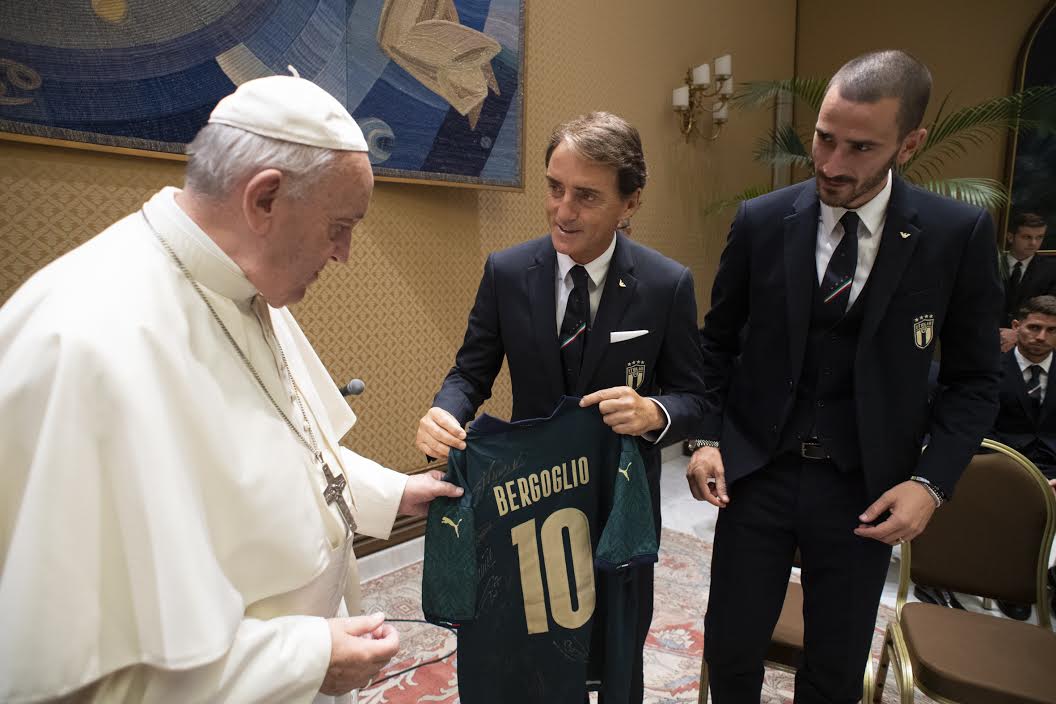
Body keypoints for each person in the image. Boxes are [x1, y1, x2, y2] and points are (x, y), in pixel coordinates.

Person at [0, 73, 462, 703]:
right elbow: (78, 677)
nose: (344, 253)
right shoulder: (82, 344)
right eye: (339, 226)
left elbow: (286, 445)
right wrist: (304, 660)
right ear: (264, 199)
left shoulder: (238, 282)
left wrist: (395, 492)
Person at [687, 50, 1002, 703]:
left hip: (865, 491)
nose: (831, 164)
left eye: (860, 148)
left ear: (909, 144)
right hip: (757, 475)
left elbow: (975, 381)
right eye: (824, 138)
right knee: (732, 651)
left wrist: (930, 484)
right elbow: (714, 347)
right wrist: (707, 438)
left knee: (834, 672)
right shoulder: (761, 221)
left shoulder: (956, 234)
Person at [415, 111, 710, 701]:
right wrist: (445, 411)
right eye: (554, 188)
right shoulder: (506, 272)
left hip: (618, 504)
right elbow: (470, 372)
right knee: (533, 648)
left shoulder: (665, 284)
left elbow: (697, 397)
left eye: (586, 196)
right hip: (530, 500)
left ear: (630, 202)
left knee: (616, 650)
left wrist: (655, 413)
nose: (562, 210)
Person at [989, 295, 1056, 620]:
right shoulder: (989, 370)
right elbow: (981, 430)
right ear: (1017, 327)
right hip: (1005, 464)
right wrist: (1026, 478)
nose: (1042, 337)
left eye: (1051, 330)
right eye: (1034, 328)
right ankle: (1011, 584)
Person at [999, 212, 1056, 351]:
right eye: (1027, 237)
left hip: (1031, 344)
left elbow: (1051, 311)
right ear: (1010, 237)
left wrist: (1017, 334)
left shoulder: (1052, 270)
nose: (1034, 243)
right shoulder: (990, 264)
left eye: (1039, 237)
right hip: (987, 338)